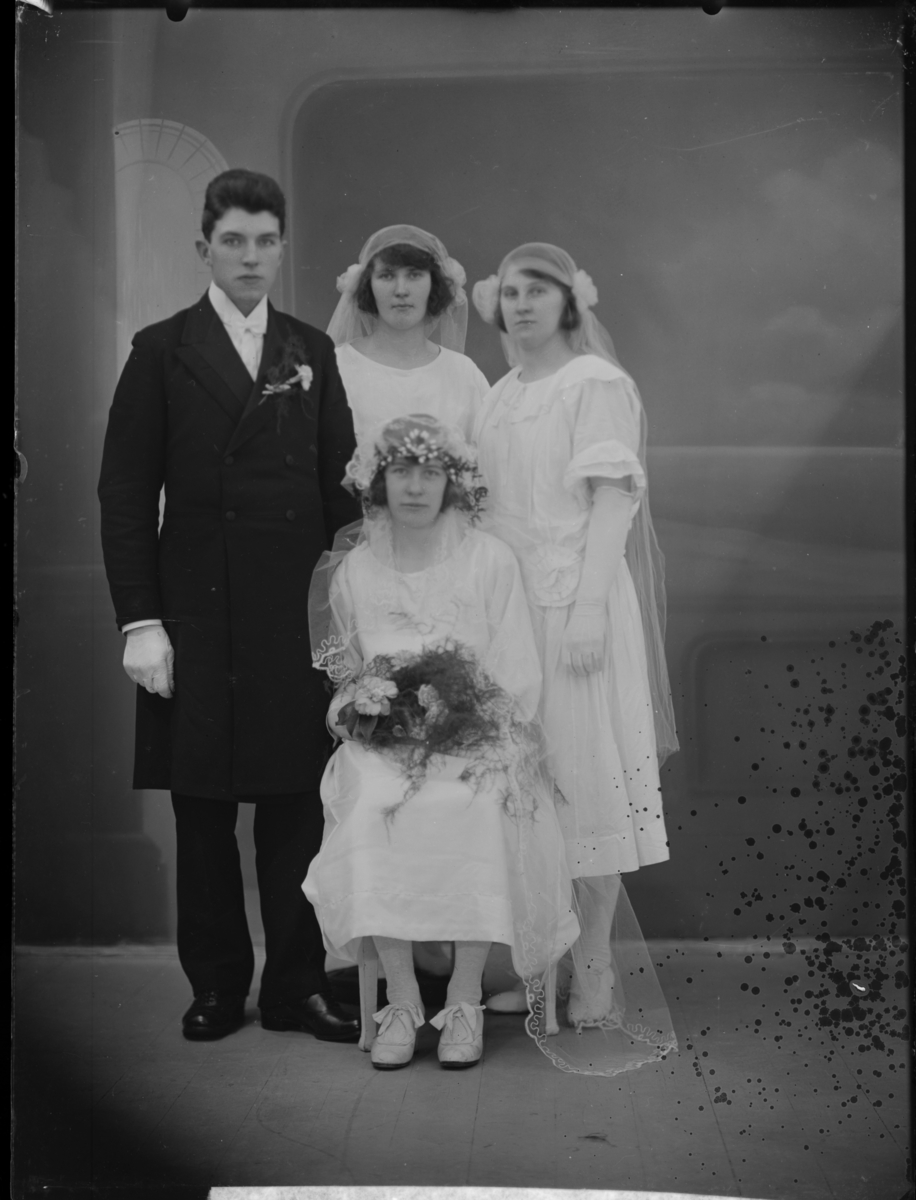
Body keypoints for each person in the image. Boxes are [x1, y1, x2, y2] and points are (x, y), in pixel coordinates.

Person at [98, 169, 362, 1044]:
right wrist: (140, 621)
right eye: (234, 240)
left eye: (266, 241)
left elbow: (341, 498)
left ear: (282, 248)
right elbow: (125, 494)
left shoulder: (310, 350)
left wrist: (349, 620)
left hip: (293, 616)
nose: (251, 256)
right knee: (202, 809)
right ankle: (215, 985)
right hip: (195, 615)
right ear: (204, 247)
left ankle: (295, 989)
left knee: (296, 806)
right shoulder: (160, 350)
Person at [304, 415, 580, 1071]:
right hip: (384, 749)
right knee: (373, 805)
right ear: (378, 481)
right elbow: (345, 679)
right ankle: (402, 1000)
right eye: (401, 471)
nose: (415, 487)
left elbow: (516, 673)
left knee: (479, 803)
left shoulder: (489, 560)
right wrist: (369, 714)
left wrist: (464, 720)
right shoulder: (356, 570)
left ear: (452, 482)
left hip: (476, 738)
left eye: (430, 473)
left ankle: (462, 1001)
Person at [471, 244, 679, 1034]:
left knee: (583, 782)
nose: (522, 305)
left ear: (569, 303)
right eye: (510, 293)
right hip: (510, 617)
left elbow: (613, 501)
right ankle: (543, 966)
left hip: (574, 607)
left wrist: (589, 607)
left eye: (538, 291)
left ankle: (594, 969)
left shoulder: (593, 383)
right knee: (526, 789)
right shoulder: (498, 396)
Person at [327, 225, 489, 444]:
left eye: (414, 275)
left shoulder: (465, 374)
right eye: (386, 275)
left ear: (434, 284)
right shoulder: (336, 367)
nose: (401, 290)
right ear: (367, 285)